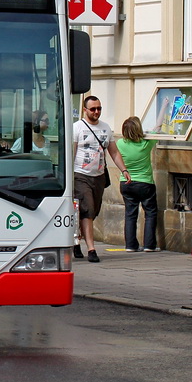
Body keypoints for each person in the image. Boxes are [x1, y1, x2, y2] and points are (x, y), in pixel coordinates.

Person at [73, 95, 130, 262]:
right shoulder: (77, 128)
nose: (96, 112)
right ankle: (91, 249)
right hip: (80, 175)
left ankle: (76, 241)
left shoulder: (105, 128)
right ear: (85, 110)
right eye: (93, 109)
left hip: (98, 176)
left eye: (99, 108)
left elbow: (113, 151)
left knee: (93, 211)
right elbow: (72, 152)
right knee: (87, 209)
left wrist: (123, 170)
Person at [116, 116, 159, 252]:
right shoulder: (145, 144)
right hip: (145, 182)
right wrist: (164, 105)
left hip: (126, 182)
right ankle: (149, 245)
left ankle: (130, 245)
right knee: (150, 213)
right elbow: (157, 128)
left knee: (130, 214)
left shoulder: (120, 143)